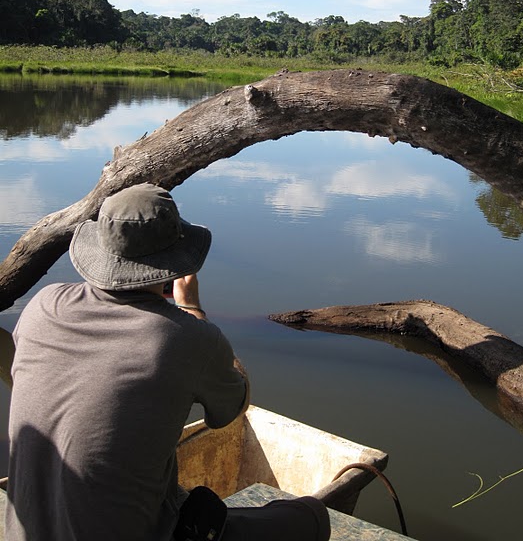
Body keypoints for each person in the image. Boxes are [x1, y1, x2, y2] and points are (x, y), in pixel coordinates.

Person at [5, 182, 330, 541]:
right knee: (311, 516)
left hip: (24, 529)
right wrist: (191, 308)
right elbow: (231, 409)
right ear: (174, 263)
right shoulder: (185, 337)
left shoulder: (42, 305)